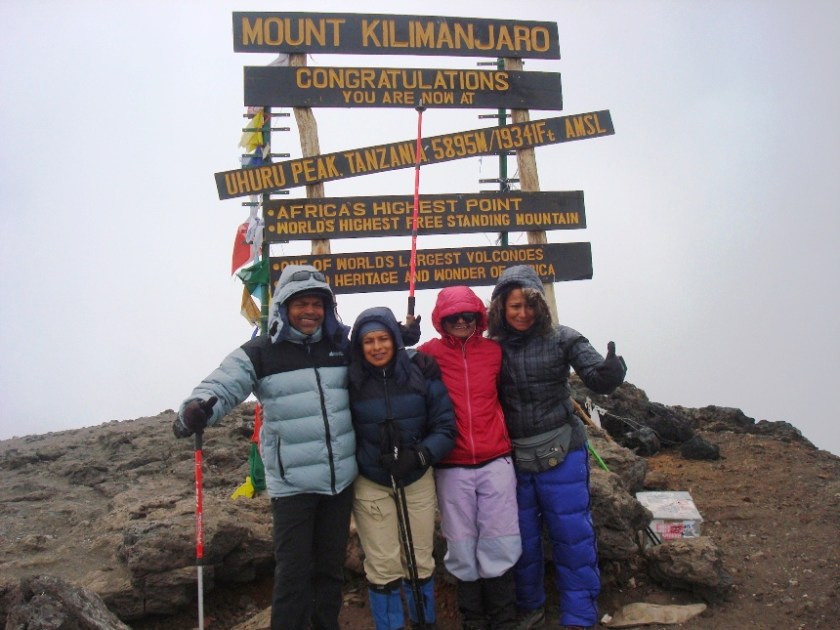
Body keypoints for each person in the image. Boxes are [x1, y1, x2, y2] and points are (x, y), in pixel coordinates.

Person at [172, 264, 357, 630]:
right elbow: (222, 385)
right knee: (292, 574)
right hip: (293, 486)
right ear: (284, 305)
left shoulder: (340, 345)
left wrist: (401, 336)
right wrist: (194, 412)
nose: (310, 311)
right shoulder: (261, 351)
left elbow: (384, 356)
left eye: (317, 303)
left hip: (341, 482)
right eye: (300, 302)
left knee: (330, 571)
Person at [487, 265, 627, 630]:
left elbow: (595, 376)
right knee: (523, 541)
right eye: (513, 306)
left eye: (528, 305)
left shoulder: (564, 338)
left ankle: (580, 615)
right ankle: (530, 607)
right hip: (512, 459)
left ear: (540, 305)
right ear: (501, 307)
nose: (521, 313)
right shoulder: (491, 349)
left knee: (572, 536)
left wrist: (612, 372)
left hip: (564, 452)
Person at [417, 286, 522, 629]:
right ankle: (473, 619)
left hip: (496, 459)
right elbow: (384, 361)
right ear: (441, 320)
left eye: (468, 315)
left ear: (479, 317)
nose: (461, 321)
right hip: (452, 465)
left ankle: (504, 619)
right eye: (453, 317)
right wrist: (402, 335)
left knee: (501, 540)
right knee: (461, 546)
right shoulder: (426, 354)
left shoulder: (494, 351)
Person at [348, 306, 456, 630]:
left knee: (420, 559)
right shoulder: (349, 378)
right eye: (369, 341)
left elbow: (445, 427)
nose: (377, 347)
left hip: (416, 476)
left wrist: (420, 456)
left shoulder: (421, 371)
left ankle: (426, 623)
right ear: (359, 346)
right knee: (382, 564)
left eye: (384, 338)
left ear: (395, 340)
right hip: (371, 480)